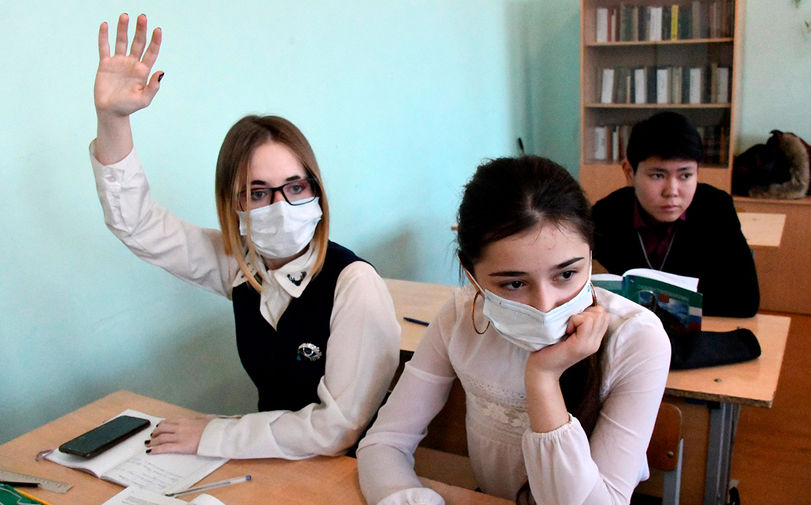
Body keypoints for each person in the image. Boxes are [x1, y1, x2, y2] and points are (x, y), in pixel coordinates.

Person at [90, 13, 400, 459]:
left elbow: (339, 429)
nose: (281, 206)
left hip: (349, 470)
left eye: (295, 187)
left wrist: (218, 434)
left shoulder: (354, 284)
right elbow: (137, 225)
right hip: (272, 464)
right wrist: (112, 119)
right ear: (233, 205)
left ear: (316, 191)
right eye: (257, 193)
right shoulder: (242, 267)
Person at [357, 156, 671, 505]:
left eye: (567, 274)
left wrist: (543, 377)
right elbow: (384, 443)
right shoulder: (461, 317)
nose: (545, 306)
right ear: (471, 274)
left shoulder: (636, 338)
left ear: (590, 252)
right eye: (515, 283)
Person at [591, 111, 760, 317]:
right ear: (629, 172)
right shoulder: (605, 214)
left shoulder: (717, 208)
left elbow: (746, 300)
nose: (672, 191)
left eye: (685, 175)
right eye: (657, 175)